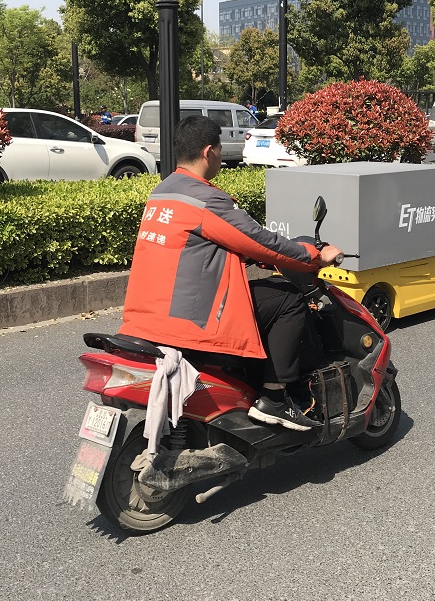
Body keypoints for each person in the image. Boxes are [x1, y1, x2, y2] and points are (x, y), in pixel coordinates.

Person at [119, 115, 344, 430]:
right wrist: (315, 256)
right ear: (209, 151)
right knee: (288, 298)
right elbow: (261, 241)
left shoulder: (163, 192)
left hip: (143, 319)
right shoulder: (207, 199)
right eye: (221, 150)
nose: (222, 156)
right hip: (187, 322)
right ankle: (275, 400)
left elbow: (199, 249)